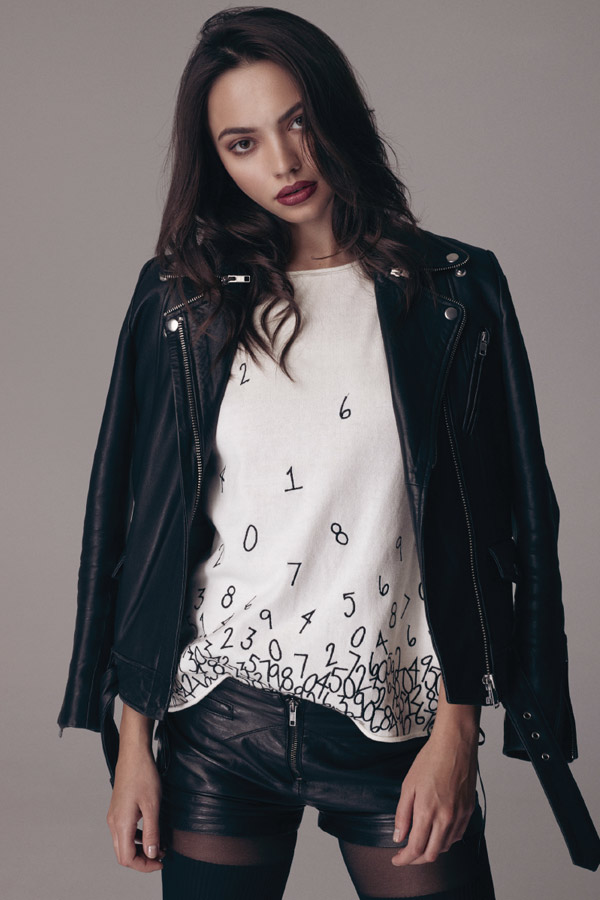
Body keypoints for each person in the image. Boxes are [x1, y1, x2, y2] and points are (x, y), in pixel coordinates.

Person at [57, 6, 600, 899]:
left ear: (339, 115)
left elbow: (515, 521)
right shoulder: (181, 301)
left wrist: (459, 729)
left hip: (399, 724)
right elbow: (134, 523)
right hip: (217, 723)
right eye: (242, 143)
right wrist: (134, 743)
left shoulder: (457, 292)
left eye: (299, 122)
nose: (282, 162)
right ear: (218, 161)